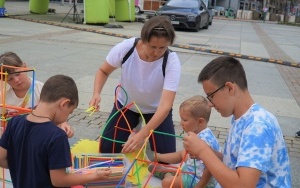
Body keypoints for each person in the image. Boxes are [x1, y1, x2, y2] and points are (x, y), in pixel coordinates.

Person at [183, 56, 292, 187]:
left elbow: (243, 185)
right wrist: (208, 151)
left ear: (229, 88)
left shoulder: (258, 125)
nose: (210, 104)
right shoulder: (241, 118)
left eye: (211, 96)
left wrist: (203, 151)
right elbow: (234, 163)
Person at [89, 16, 181, 154]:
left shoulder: (171, 61)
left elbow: (165, 106)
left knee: (166, 157)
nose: (156, 52)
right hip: (127, 105)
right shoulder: (127, 48)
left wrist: (142, 135)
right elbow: (103, 71)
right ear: (144, 41)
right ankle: (135, 126)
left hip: (156, 111)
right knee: (107, 150)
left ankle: (142, 132)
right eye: (152, 47)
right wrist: (96, 93)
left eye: (162, 47)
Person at [0, 74, 112, 187]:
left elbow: (1, 158)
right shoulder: (57, 136)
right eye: (70, 112)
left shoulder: (15, 122)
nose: (67, 117)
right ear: (64, 104)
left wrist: (25, 167)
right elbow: (59, 180)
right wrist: (95, 176)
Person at [147, 95, 220, 188]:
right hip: (192, 170)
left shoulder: (203, 141)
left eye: (185, 120)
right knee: (183, 153)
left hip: (199, 180)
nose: (181, 123)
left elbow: (210, 168)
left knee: (166, 183)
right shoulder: (203, 131)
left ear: (200, 121)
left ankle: (167, 173)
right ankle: (158, 157)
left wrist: (199, 186)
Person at [0, 52, 73, 137]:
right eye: (10, 79)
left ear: (24, 67)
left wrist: (63, 124)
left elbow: (55, 111)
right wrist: (5, 115)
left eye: (17, 74)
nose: (16, 80)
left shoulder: (42, 89)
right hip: (14, 135)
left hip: (37, 134)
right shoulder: (4, 94)